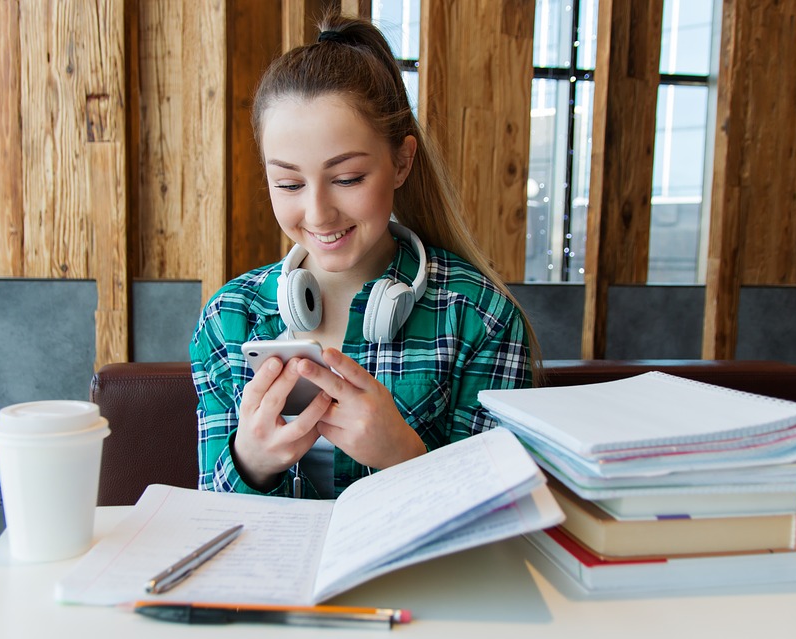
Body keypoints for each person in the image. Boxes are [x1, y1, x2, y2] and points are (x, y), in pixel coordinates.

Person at [190, 11, 541, 499]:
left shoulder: (480, 317)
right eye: (288, 183)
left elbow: (502, 513)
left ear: (401, 162)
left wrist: (405, 455)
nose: (318, 213)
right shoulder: (228, 318)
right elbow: (211, 514)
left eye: (347, 178)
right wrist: (251, 463)